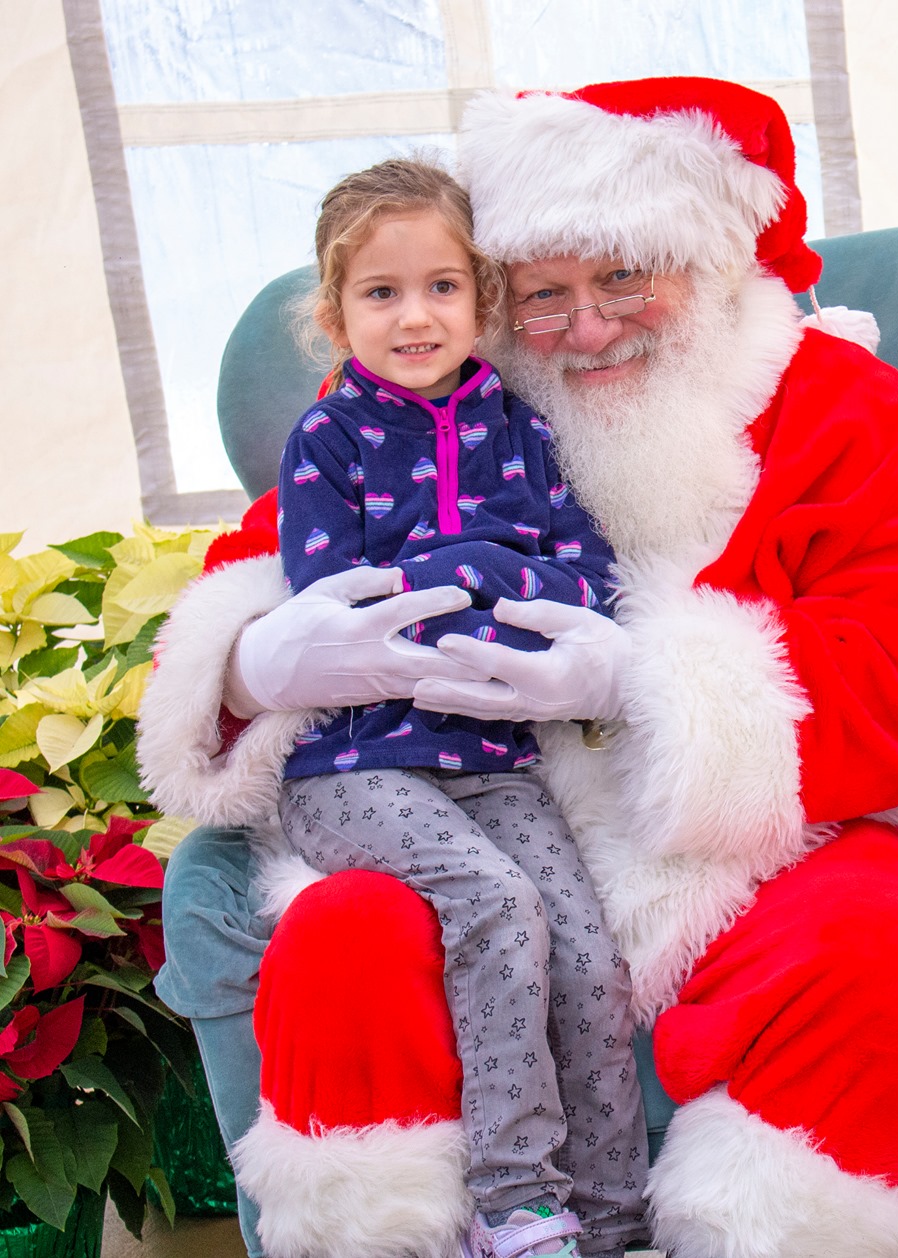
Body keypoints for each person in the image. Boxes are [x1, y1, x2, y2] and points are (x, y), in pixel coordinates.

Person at [139, 77, 898, 1258]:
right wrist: (249, 665)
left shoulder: (849, 408)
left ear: (713, 261)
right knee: (345, 940)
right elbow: (251, 574)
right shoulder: (433, 403)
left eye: (625, 280)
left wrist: (640, 684)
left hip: (740, 848)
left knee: (872, 946)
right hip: (451, 817)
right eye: (545, 296)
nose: (586, 329)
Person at [261, 155, 637, 1258]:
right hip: (354, 772)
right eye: (381, 292)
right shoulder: (327, 442)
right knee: (493, 903)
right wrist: (488, 578)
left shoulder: (516, 429)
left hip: (494, 757)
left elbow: (591, 581)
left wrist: (479, 567)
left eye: (440, 287)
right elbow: (352, 615)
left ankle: (610, 1222)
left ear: (479, 298)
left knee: (583, 941)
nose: (414, 315)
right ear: (335, 315)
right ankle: (515, 1200)